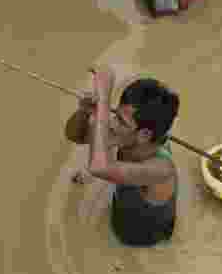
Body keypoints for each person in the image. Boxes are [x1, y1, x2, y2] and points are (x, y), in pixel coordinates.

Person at [65, 66, 181, 247]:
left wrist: (103, 99)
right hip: (123, 208)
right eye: (114, 115)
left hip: (142, 239)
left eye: (120, 121)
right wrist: (85, 111)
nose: (111, 123)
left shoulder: (161, 170)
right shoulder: (128, 136)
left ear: (144, 135)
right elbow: (75, 136)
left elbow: (99, 168)